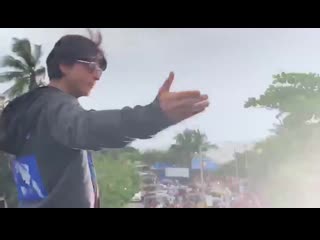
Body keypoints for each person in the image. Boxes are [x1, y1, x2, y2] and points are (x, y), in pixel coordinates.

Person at [0, 32, 209, 208]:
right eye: (92, 66)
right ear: (64, 65)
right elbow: (88, 128)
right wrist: (153, 116)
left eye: (101, 69)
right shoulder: (56, 107)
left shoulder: (29, 111)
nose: (98, 76)